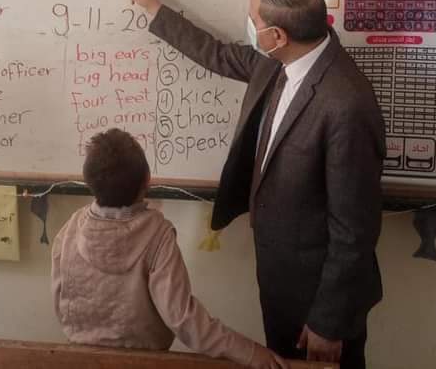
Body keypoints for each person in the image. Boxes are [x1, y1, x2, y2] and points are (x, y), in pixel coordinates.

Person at [125, 0, 385, 368]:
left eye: (253, 21)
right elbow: (217, 54)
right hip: (279, 279)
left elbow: (355, 231)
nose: (249, 27)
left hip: (319, 299)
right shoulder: (279, 62)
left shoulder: (346, 104)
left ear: (278, 35)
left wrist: (329, 323)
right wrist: (152, 7)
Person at [51, 128, 286, 369]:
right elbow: (183, 317)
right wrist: (250, 353)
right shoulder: (157, 235)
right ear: (147, 180)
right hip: (145, 362)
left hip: (80, 359)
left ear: (89, 182)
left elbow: (61, 304)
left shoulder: (70, 229)